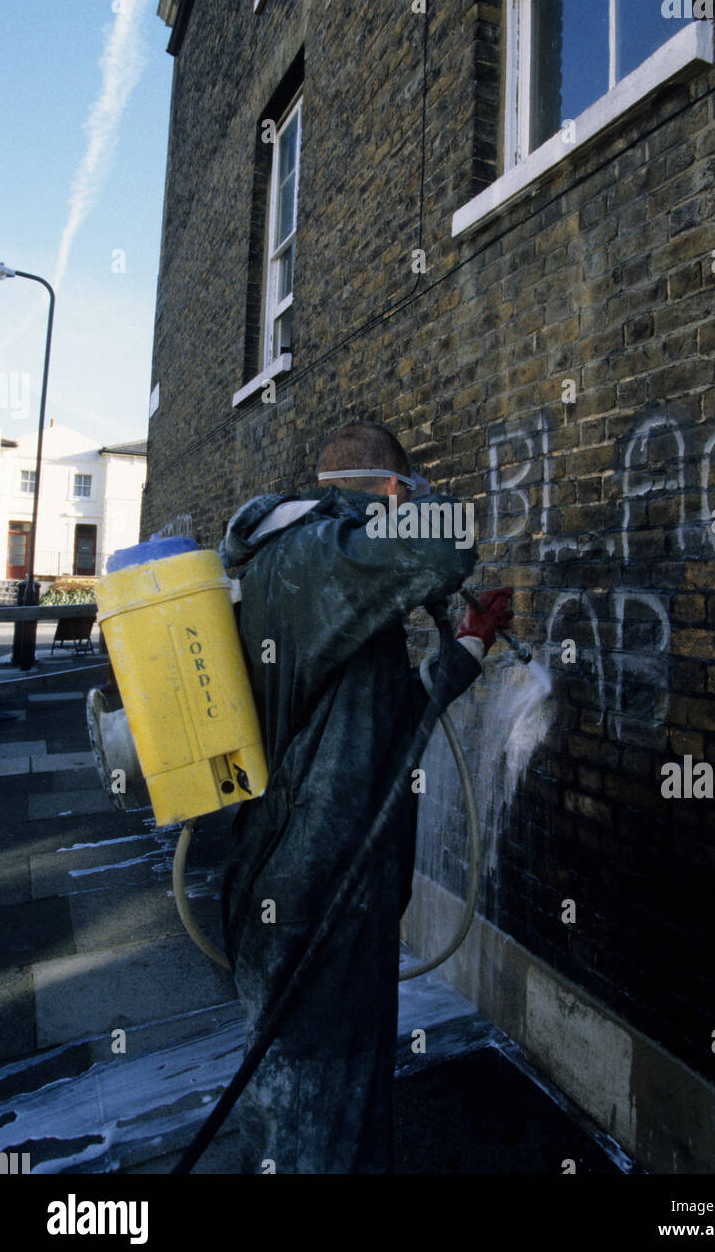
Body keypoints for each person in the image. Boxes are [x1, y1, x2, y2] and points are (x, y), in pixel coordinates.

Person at [219, 421, 513, 1173]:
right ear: (389, 491)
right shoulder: (309, 562)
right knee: (316, 1114)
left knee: (328, 1099)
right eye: (400, 493)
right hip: (318, 887)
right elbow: (445, 538)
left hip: (338, 883)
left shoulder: (315, 576)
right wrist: (410, 503)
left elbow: (387, 727)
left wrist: (469, 644)